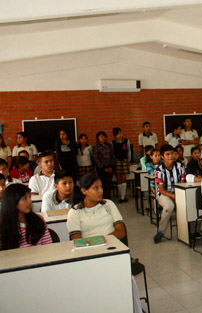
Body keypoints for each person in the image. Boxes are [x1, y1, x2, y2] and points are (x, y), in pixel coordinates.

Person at [67, 174, 143, 313]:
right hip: (89, 255)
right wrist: (99, 243)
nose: (100, 190)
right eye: (95, 188)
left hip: (112, 251)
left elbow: (121, 231)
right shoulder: (75, 212)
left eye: (101, 187)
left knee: (129, 280)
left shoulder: (108, 204)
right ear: (84, 191)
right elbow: (77, 240)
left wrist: (100, 241)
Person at [0, 184, 52, 250]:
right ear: (12, 201)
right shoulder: (3, 226)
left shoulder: (38, 220)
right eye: (25, 198)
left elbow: (48, 246)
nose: (30, 201)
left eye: (30, 197)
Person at [153, 145, 186, 243]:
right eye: (167, 154)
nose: (170, 156)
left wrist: (179, 195)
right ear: (162, 157)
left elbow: (182, 183)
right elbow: (162, 190)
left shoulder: (180, 167)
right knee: (169, 206)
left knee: (188, 204)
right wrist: (174, 196)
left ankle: (189, 232)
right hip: (164, 194)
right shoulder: (158, 170)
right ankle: (161, 231)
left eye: (172, 153)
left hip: (178, 192)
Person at [91, 131, 116, 200]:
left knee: (109, 184)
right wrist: (103, 167)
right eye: (101, 137)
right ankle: (102, 198)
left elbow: (113, 156)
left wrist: (111, 166)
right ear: (98, 138)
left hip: (109, 168)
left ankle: (108, 199)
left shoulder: (109, 146)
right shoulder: (95, 147)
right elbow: (95, 159)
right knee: (101, 184)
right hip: (101, 169)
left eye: (104, 136)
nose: (103, 138)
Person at [112, 127, 132, 203]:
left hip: (124, 161)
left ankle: (123, 196)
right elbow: (113, 153)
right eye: (118, 134)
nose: (120, 135)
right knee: (119, 179)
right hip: (117, 162)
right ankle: (121, 196)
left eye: (120, 133)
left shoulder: (126, 141)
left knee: (124, 178)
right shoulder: (112, 143)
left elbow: (128, 151)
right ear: (115, 135)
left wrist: (129, 160)